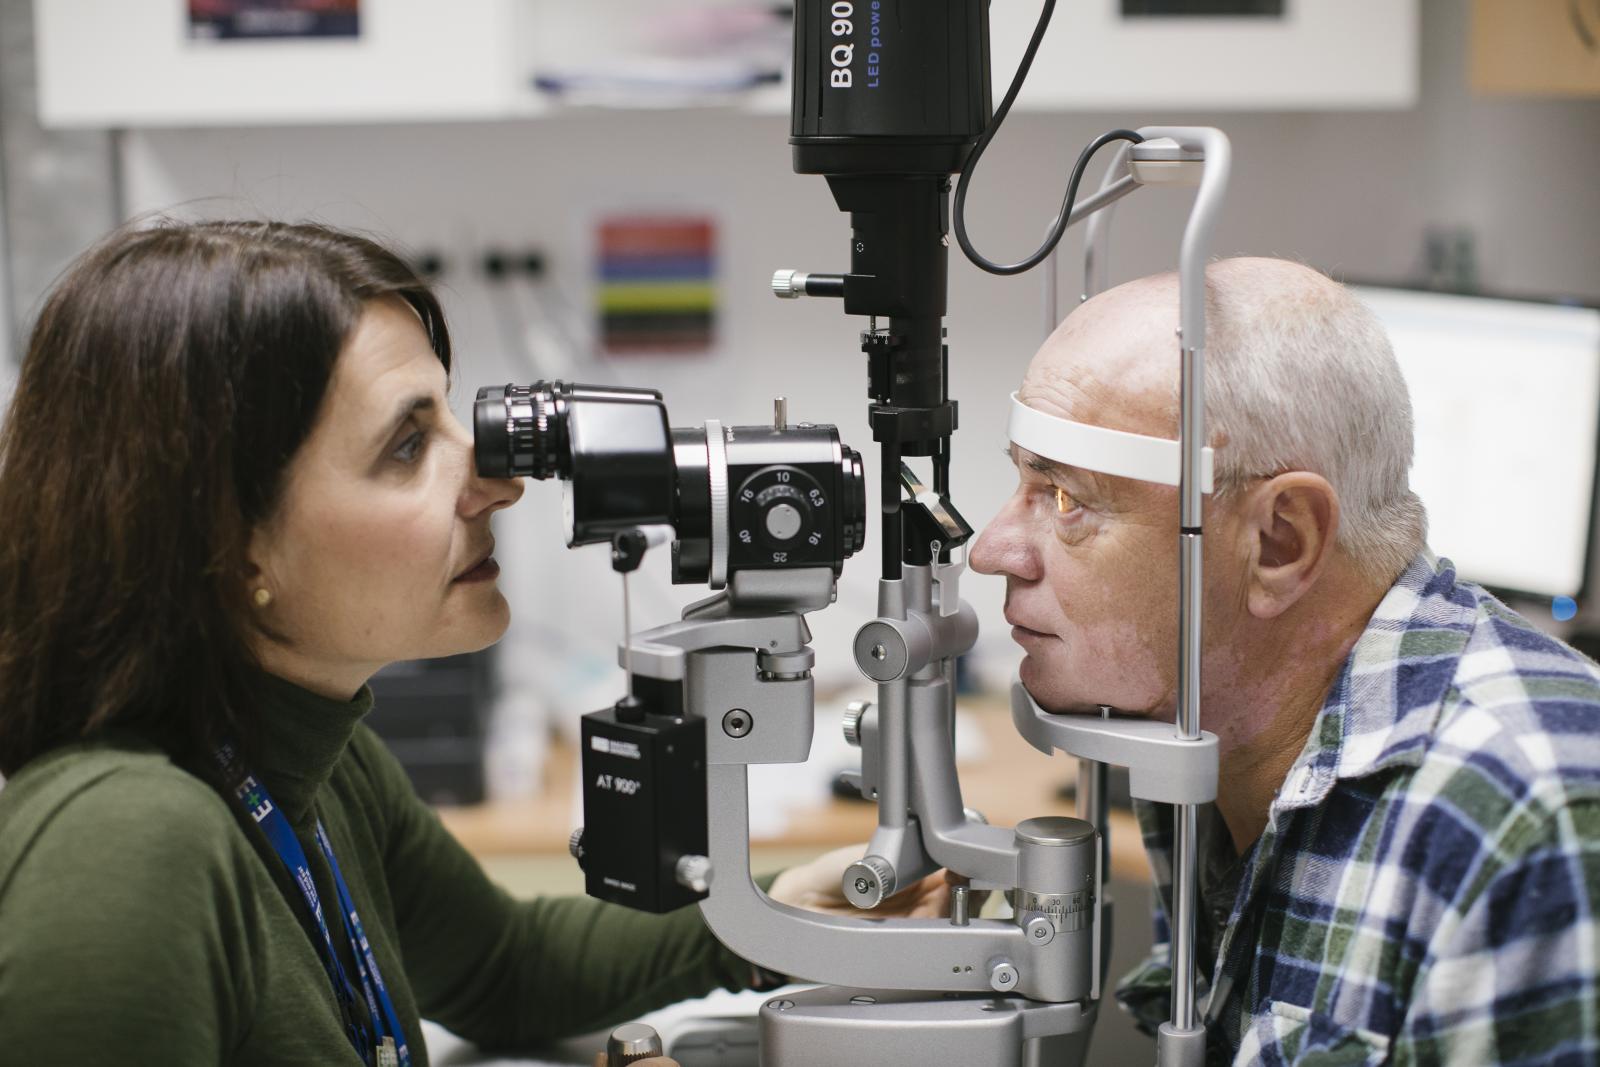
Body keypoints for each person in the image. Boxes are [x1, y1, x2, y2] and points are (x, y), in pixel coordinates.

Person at [0, 220, 948, 1067]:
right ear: (234, 541)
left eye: (453, 413)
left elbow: (504, 968)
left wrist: (778, 914)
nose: (497, 481)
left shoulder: (312, 760)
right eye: (407, 446)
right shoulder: (126, 848)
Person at [970, 257, 1600, 1064]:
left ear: (1278, 543)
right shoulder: (1206, 740)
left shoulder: (1529, 828)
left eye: (1067, 500)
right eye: (1022, 482)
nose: (993, 551)